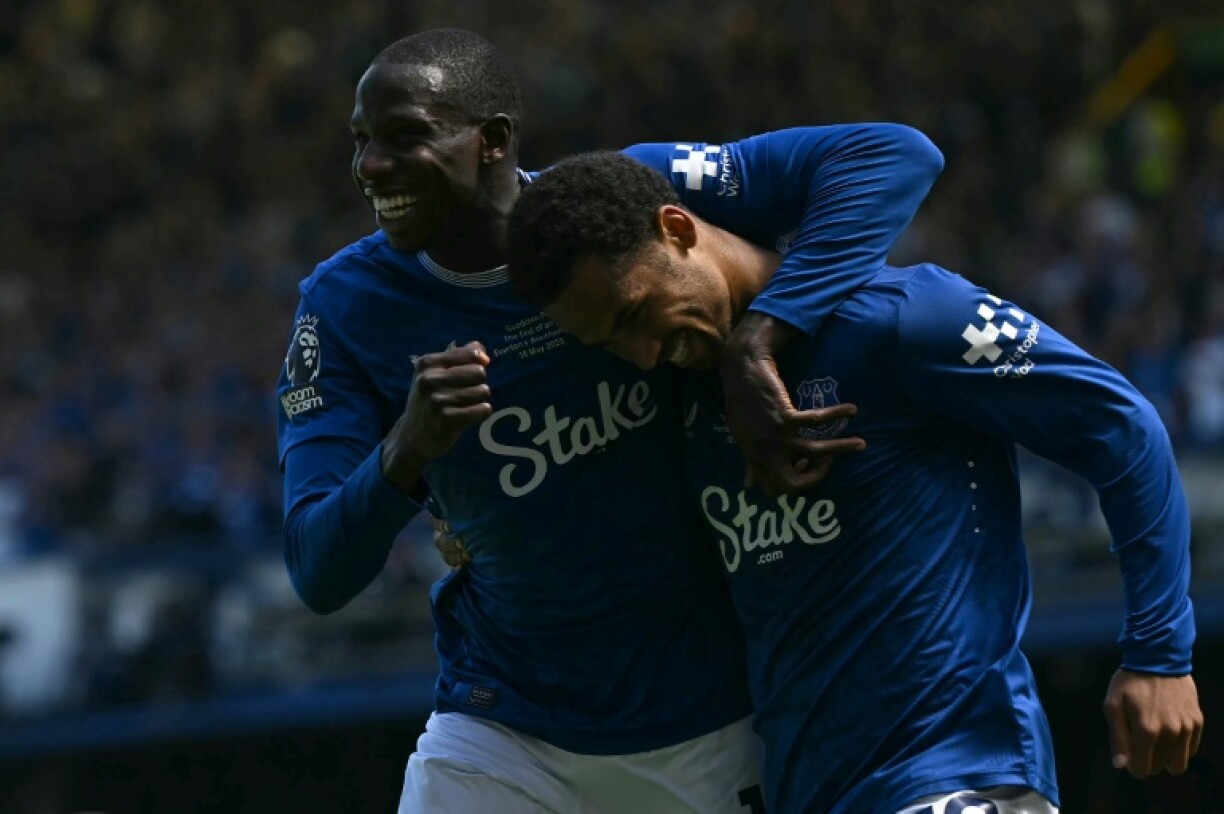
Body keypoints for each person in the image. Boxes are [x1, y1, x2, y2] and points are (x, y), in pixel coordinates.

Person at [276, 28, 943, 813]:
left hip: (714, 725)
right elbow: (316, 569)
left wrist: (759, 341)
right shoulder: (343, 309)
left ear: (490, 141)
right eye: (361, 143)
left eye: (404, 138)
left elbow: (895, 156)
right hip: (503, 732)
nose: (370, 168)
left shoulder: (621, 199)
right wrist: (405, 453)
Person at [503, 150, 1204, 814]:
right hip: (812, 792)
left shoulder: (903, 319)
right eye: (613, 343)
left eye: (635, 313)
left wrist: (1159, 654)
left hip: (958, 773)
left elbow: (1122, 425)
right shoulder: (686, 401)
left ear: (678, 228)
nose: (643, 353)